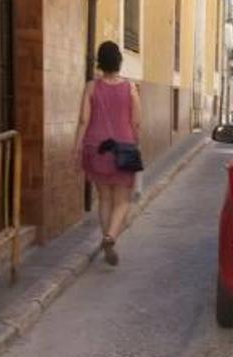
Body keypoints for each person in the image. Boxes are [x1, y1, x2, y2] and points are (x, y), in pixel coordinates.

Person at [72, 41, 142, 266]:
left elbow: (84, 119)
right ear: (119, 62)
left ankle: (106, 239)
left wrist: (77, 145)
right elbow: (136, 122)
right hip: (123, 148)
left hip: (96, 149)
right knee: (122, 201)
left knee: (103, 198)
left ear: (99, 62)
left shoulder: (91, 87)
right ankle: (110, 237)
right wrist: (136, 144)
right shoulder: (130, 88)